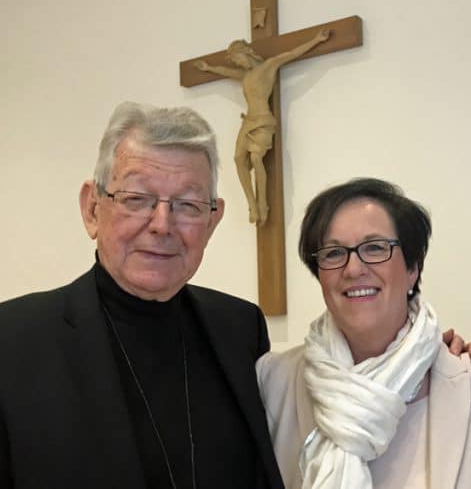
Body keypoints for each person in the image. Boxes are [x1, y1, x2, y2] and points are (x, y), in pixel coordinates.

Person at [0, 102, 284, 488]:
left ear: (212, 221)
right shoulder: (12, 340)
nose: (162, 225)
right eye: (136, 199)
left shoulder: (240, 328)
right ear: (92, 209)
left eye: (187, 205)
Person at [256, 178, 471, 488]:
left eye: (374, 248)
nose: (353, 269)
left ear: (412, 268)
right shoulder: (273, 382)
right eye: (334, 253)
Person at [194, 29, 330, 226]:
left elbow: (291, 54)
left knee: (256, 158)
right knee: (238, 159)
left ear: (246, 53)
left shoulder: (268, 66)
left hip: (263, 119)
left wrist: (316, 40)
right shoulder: (245, 75)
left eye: (238, 59)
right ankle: (252, 204)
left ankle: (262, 204)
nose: (238, 64)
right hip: (248, 121)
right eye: (236, 62)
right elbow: (226, 72)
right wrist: (208, 68)